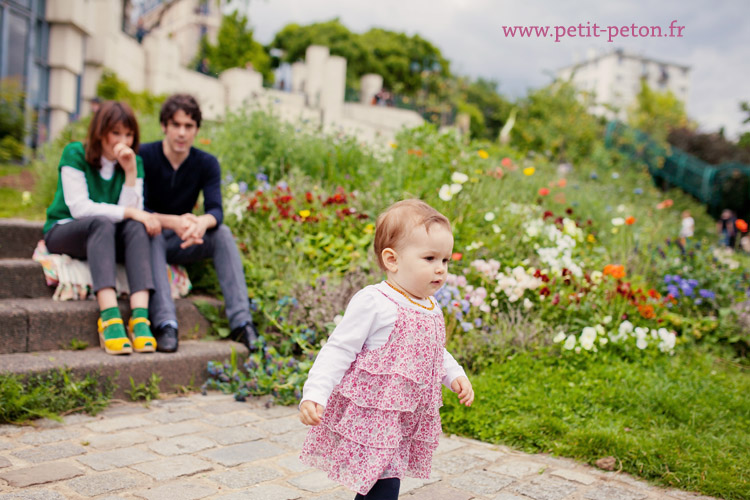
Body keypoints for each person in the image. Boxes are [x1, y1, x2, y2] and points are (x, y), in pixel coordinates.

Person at [298, 199, 474, 499]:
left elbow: (432, 349)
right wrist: (315, 392)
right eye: (430, 258)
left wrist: (453, 374)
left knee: (384, 479)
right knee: (384, 483)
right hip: (375, 414)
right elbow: (339, 348)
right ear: (392, 260)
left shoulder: (429, 306)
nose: (440, 270)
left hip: (406, 413)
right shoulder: (376, 302)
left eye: (445, 261)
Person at [140, 94, 259, 353]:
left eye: (189, 126)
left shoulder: (206, 163)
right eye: (176, 125)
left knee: (222, 233)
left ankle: (242, 323)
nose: (182, 133)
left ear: (196, 130)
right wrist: (174, 221)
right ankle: (165, 323)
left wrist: (201, 224)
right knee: (151, 231)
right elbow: (137, 208)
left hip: (185, 239)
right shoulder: (145, 155)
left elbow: (216, 210)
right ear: (164, 126)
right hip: (149, 237)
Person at [43, 101, 159, 355]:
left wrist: (129, 172)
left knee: (135, 227)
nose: (123, 141)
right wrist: (130, 212)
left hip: (106, 238)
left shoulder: (133, 162)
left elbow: (131, 214)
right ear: (101, 132)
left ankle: (140, 318)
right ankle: (109, 316)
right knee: (104, 222)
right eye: (116, 133)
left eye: (129, 134)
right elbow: (79, 208)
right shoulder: (75, 153)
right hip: (65, 230)